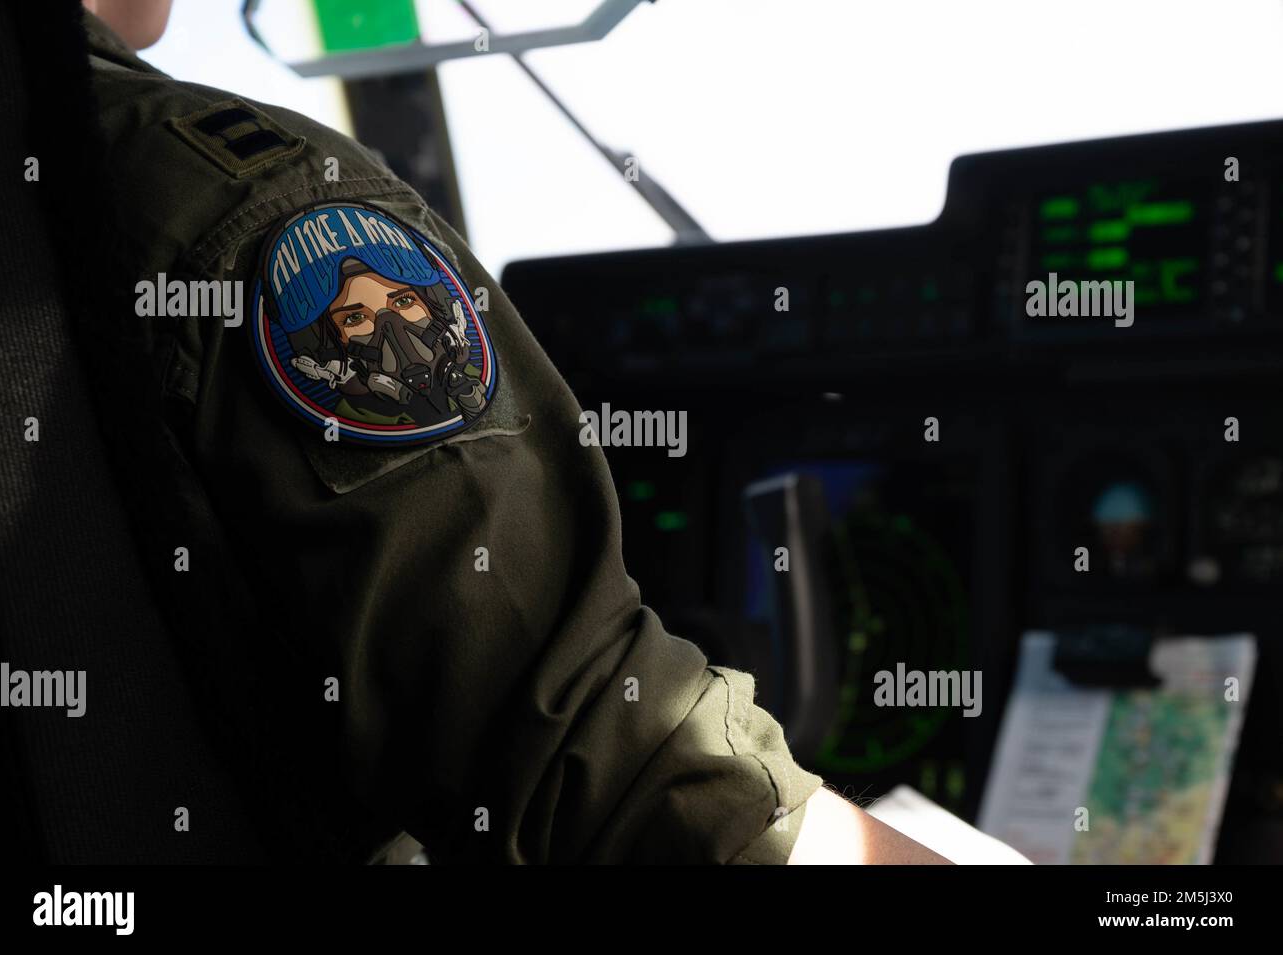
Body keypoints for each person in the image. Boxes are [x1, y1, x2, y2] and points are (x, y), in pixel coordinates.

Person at [76, 0, 950, 864]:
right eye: (357, 325)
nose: (394, 332)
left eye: (405, 307)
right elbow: (598, 758)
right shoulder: (236, 199)